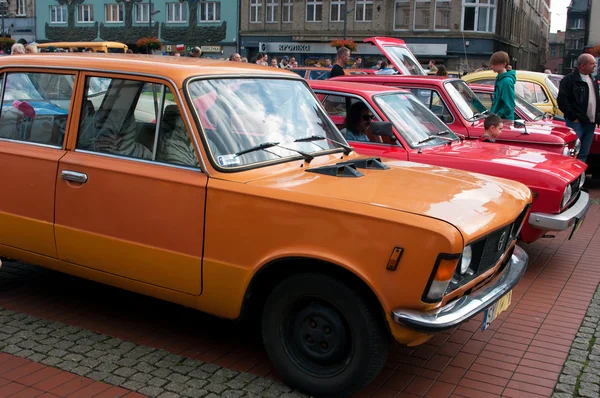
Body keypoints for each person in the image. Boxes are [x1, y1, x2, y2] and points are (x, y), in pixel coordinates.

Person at [557, 53, 600, 163]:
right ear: (582, 66)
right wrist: (573, 117)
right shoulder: (569, 80)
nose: (595, 66)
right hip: (576, 122)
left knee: (584, 153)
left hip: (590, 123)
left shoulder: (593, 79)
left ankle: (579, 177)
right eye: (592, 64)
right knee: (572, 153)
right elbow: (562, 100)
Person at [489, 51, 516, 121]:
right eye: (492, 64)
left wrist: (497, 115)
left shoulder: (506, 81)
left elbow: (509, 105)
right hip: (499, 120)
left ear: (504, 64)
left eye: (494, 64)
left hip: (503, 121)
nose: (492, 66)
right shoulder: (500, 79)